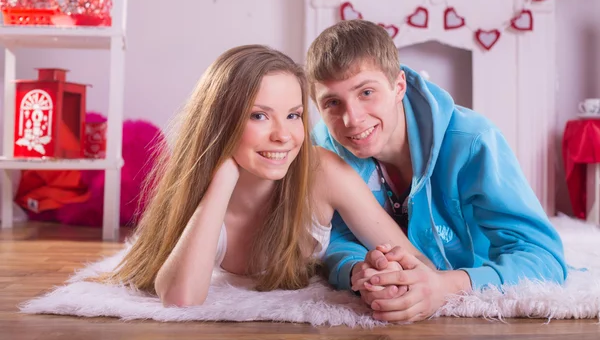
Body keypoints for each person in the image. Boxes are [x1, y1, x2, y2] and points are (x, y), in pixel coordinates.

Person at [97, 44, 431, 307]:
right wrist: (223, 178)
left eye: (292, 115)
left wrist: (386, 271)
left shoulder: (322, 172)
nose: (283, 135)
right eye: (259, 116)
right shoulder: (199, 185)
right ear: (221, 121)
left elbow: (412, 258)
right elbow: (181, 298)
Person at [306, 19, 568, 322]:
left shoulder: (474, 142)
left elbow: (544, 258)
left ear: (398, 86)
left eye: (366, 93)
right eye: (333, 103)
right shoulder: (324, 150)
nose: (351, 119)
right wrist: (359, 270)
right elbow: (334, 237)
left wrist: (449, 285)